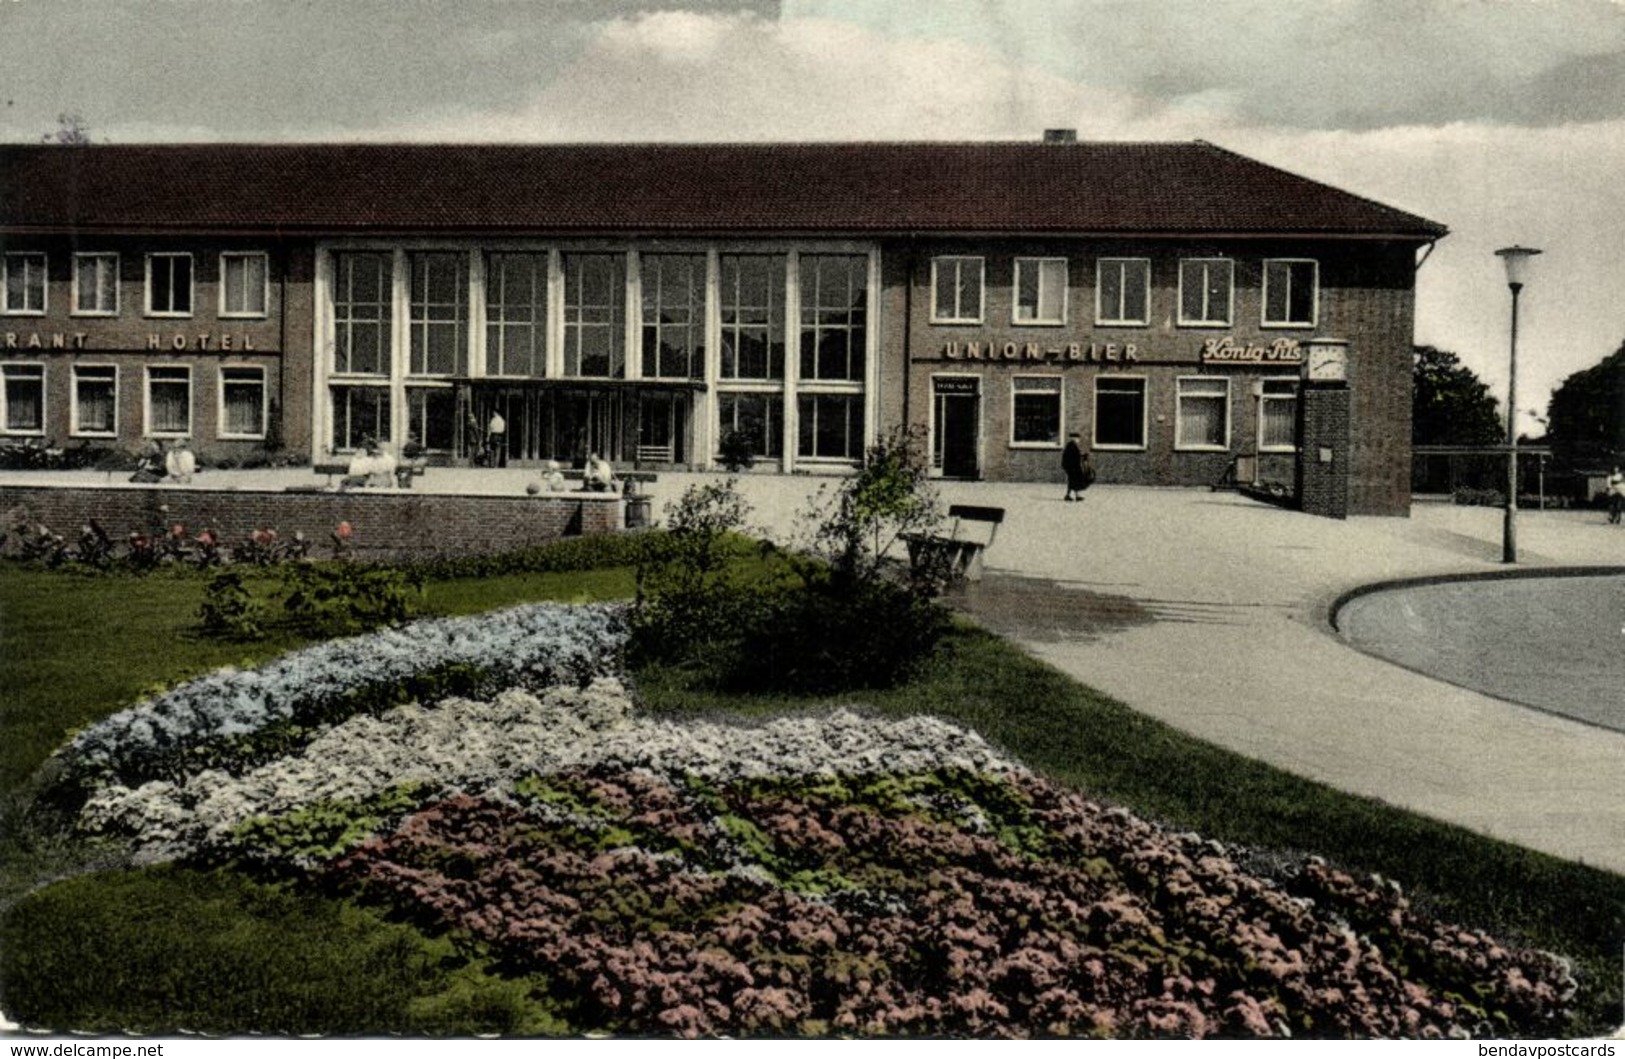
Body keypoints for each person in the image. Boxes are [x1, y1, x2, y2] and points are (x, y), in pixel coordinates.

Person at [1061, 433, 1091, 501]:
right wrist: (1083, 456)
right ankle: (1070, 495)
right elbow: (1074, 456)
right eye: (1077, 438)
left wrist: (1082, 456)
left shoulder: (1071, 445)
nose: (1078, 440)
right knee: (1073, 481)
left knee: (1073, 481)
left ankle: (1073, 495)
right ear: (1074, 438)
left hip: (1072, 466)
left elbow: (1075, 455)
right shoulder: (1071, 446)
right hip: (1072, 467)